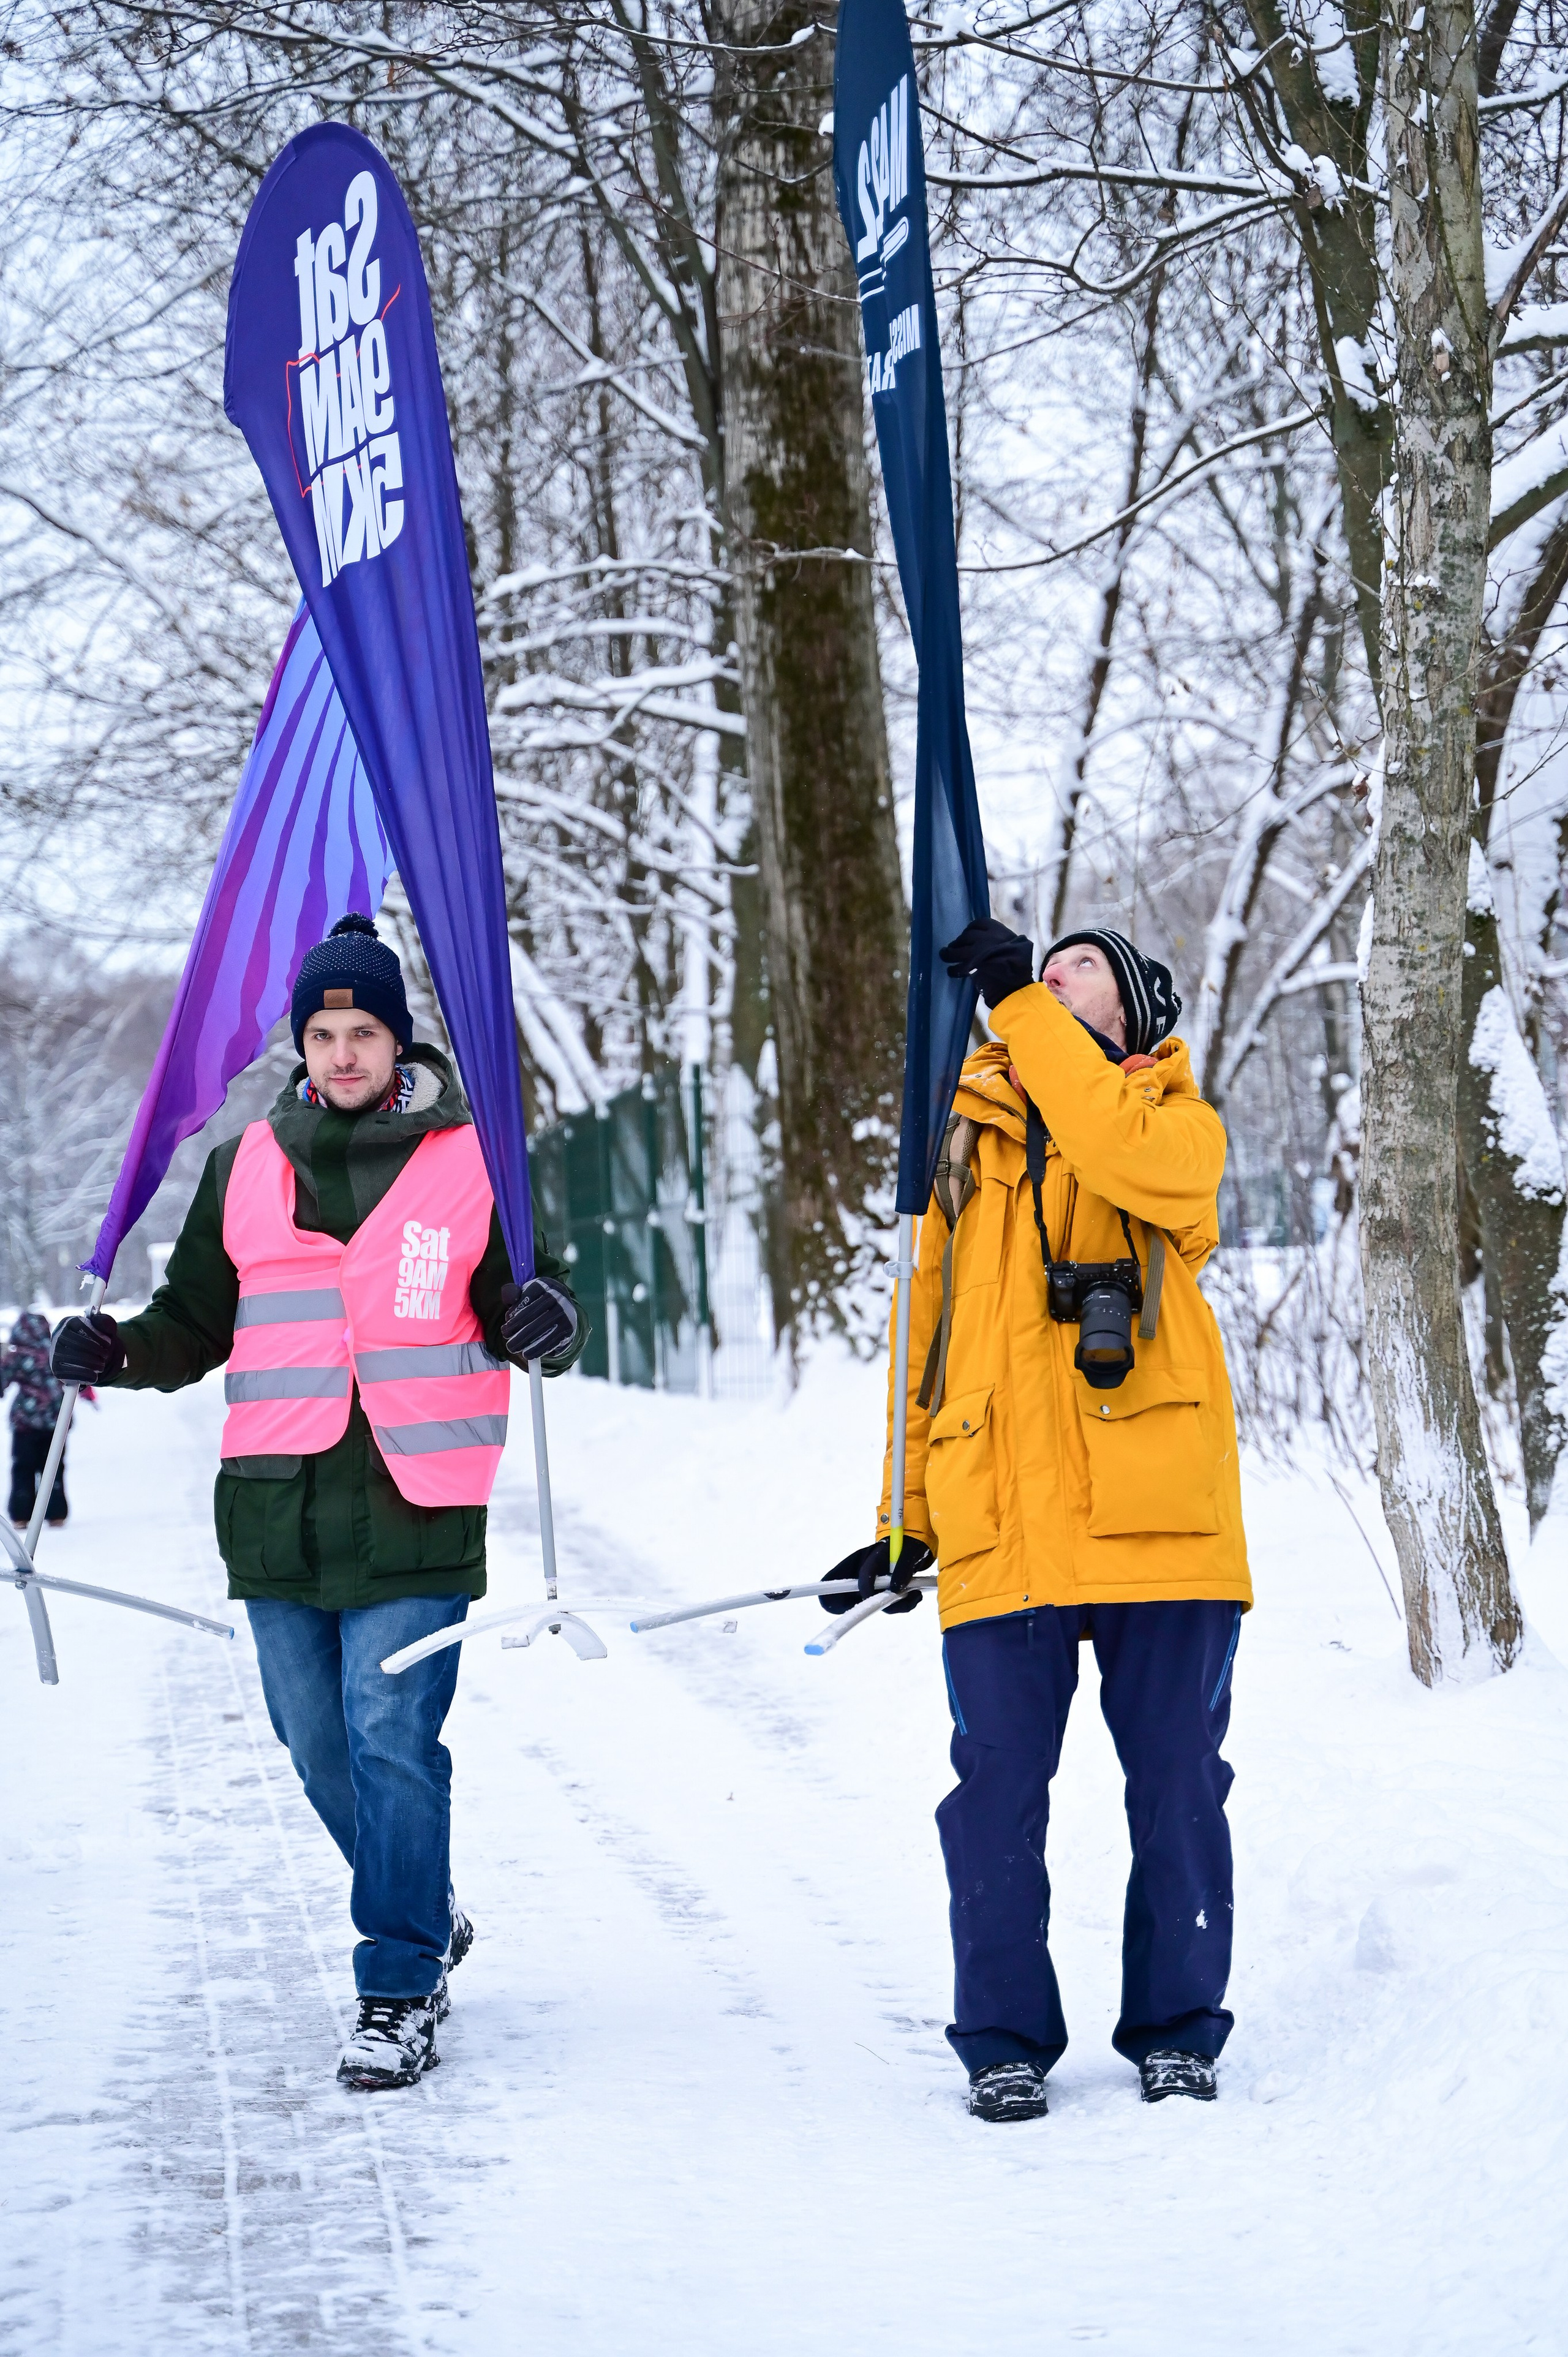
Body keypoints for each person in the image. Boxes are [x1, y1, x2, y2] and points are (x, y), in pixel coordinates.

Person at [52, 915, 586, 2091]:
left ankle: (398, 1982)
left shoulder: (474, 1158)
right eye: (325, 1034)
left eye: (365, 1033)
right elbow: (191, 1322)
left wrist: (548, 1316)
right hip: (275, 1505)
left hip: (415, 1500)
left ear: (400, 1041)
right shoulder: (243, 1162)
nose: (344, 1053)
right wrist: (116, 1349)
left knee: (391, 1736)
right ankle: (423, 1901)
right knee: (314, 1741)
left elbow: (527, 1299)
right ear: (302, 1044)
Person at [824, 916, 1249, 2122]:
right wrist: (903, 1521)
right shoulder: (963, 1142)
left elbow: (1112, 1145)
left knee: (1177, 1784)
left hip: (1162, 1522)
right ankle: (1002, 2037)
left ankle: (1177, 2027)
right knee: (992, 1794)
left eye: (1081, 969)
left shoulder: (1174, 1123)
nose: (1052, 976)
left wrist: (1018, 1003)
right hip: (1001, 1518)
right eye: (1039, 968)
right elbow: (924, 1337)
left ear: (1135, 1009)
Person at [3, 1308, 78, 1529]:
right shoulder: (58, 1351)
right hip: (57, 1420)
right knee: (54, 1468)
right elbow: (76, 1378)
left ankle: (21, 1513)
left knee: (23, 1468)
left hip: (25, 1422)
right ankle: (56, 1513)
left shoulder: (17, 1356)